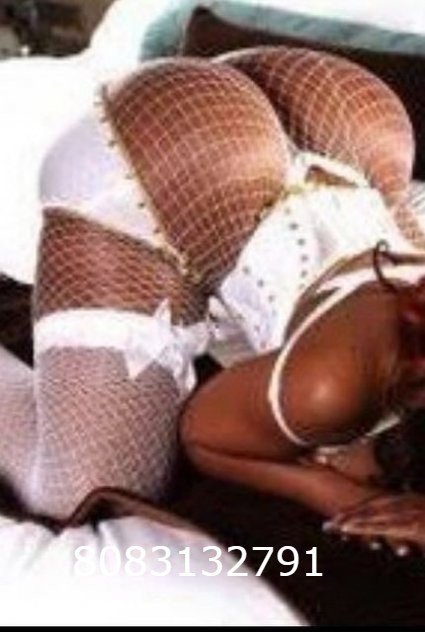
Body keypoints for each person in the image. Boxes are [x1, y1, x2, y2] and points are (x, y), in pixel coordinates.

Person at [0, 46, 424, 528]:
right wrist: (336, 495)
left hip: (337, 109)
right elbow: (203, 432)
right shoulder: (335, 386)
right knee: (88, 493)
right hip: (161, 160)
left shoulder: (348, 376)